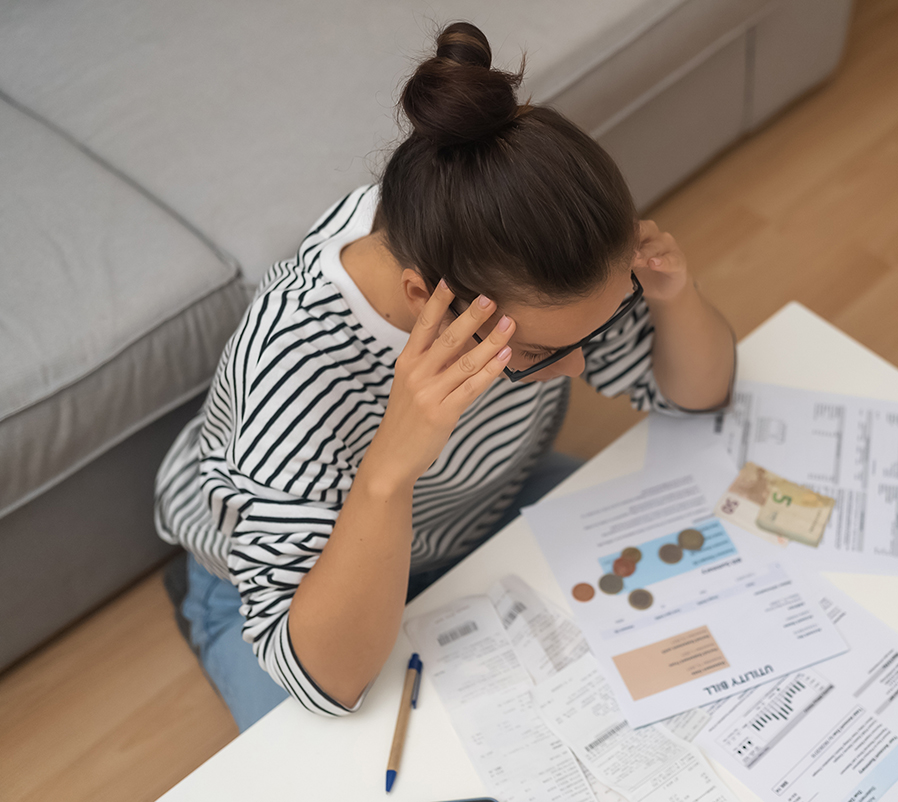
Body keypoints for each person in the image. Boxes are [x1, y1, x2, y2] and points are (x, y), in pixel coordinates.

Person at [155, 21, 736, 731]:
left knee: (708, 587)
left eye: (602, 326)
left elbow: (697, 395)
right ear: (422, 300)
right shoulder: (295, 359)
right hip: (303, 581)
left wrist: (673, 296)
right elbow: (323, 677)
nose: (580, 367)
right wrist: (392, 465)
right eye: (537, 354)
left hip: (483, 504)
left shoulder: (495, 243)